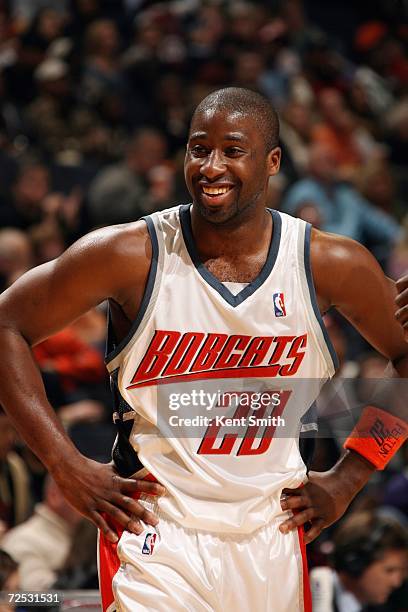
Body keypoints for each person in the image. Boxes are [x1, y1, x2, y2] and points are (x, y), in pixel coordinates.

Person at [0, 87, 407, 612]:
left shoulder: (330, 263)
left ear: (272, 162)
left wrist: (353, 476)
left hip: (272, 531)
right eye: (199, 149)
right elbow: (7, 324)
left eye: (233, 151)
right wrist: (63, 463)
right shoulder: (128, 254)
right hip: (154, 531)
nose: (211, 166)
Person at [310, 511, 408, 612]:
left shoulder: (382, 608)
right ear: (356, 562)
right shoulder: (302, 597)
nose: (396, 582)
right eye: (390, 570)